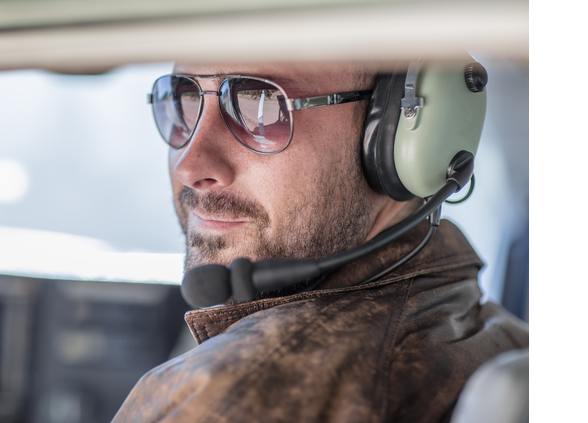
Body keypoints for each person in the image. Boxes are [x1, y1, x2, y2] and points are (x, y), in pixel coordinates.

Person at [112, 61, 528, 422]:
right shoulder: (503, 338)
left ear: (400, 137)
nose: (189, 165)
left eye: (261, 105)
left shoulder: (234, 394)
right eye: (184, 100)